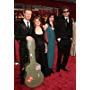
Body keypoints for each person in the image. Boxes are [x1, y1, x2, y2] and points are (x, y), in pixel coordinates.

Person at [15, 8, 34, 84]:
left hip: (31, 47)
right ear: (24, 14)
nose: (29, 15)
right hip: (23, 47)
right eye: (27, 13)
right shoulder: (19, 24)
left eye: (30, 14)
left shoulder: (32, 23)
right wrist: (25, 37)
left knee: (30, 62)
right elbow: (16, 36)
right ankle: (23, 78)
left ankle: (29, 75)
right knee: (23, 63)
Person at [55, 6, 73, 72]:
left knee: (66, 55)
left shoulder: (70, 19)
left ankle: (63, 66)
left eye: (67, 12)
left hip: (68, 40)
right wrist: (58, 38)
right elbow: (56, 29)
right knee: (60, 54)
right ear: (62, 13)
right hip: (61, 39)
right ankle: (58, 67)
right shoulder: (59, 19)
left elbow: (71, 29)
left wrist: (71, 37)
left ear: (69, 12)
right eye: (64, 12)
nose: (65, 13)